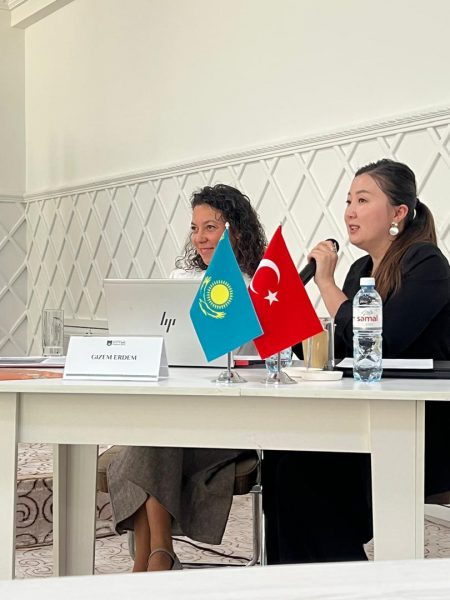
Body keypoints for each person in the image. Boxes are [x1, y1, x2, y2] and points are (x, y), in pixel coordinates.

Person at [262, 158, 450, 564]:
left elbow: (381, 343)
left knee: (301, 472)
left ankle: (342, 575)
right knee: (280, 454)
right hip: (364, 410)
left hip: (419, 421)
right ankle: (289, 579)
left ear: (398, 213)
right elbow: (342, 349)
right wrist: (290, 326)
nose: (349, 211)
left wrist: (325, 283)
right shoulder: (361, 269)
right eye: (348, 200)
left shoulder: (427, 264)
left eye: (362, 200)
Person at [107, 183, 266, 572]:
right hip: (177, 408)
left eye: (210, 227)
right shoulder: (180, 278)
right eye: (195, 228)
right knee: (157, 431)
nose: (200, 238)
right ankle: (158, 553)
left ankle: (152, 557)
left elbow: (255, 360)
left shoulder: (256, 284)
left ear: (236, 231)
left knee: (151, 437)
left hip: (230, 416)